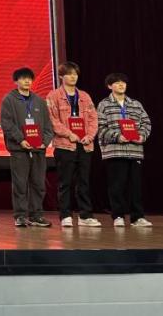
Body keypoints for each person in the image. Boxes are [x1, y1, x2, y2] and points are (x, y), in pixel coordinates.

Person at [46, 61, 101, 228]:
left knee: (84, 181)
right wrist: (69, 134)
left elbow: (93, 118)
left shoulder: (84, 96)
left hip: (85, 145)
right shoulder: (53, 96)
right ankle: (65, 215)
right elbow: (52, 120)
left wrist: (89, 136)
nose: (73, 77)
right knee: (65, 182)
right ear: (61, 76)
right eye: (69, 74)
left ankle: (85, 215)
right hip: (65, 144)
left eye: (75, 74)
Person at [96, 72, 153, 227]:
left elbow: (146, 123)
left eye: (123, 82)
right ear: (109, 86)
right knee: (117, 186)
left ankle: (137, 217)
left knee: (136, 187)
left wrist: (141, 136)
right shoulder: (104, 105)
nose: (121, 85)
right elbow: (100, 127)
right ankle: (118, 216)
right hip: (115, 151)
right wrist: (117, 136)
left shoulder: (136, 104)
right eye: (117, 82)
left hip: (134, 150)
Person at [0, 67, 54, 228]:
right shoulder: (9, 100)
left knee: (38, 184)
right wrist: (21, 140)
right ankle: (21, 216)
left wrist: (45, 142)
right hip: (19, 150)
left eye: (29, 78)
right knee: (20, 184)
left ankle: (36, 215)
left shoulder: (39, 101)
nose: (27, 81)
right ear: (16, 81)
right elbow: (6, 123)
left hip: (39, 150)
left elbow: (48, 126)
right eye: (23, 78)